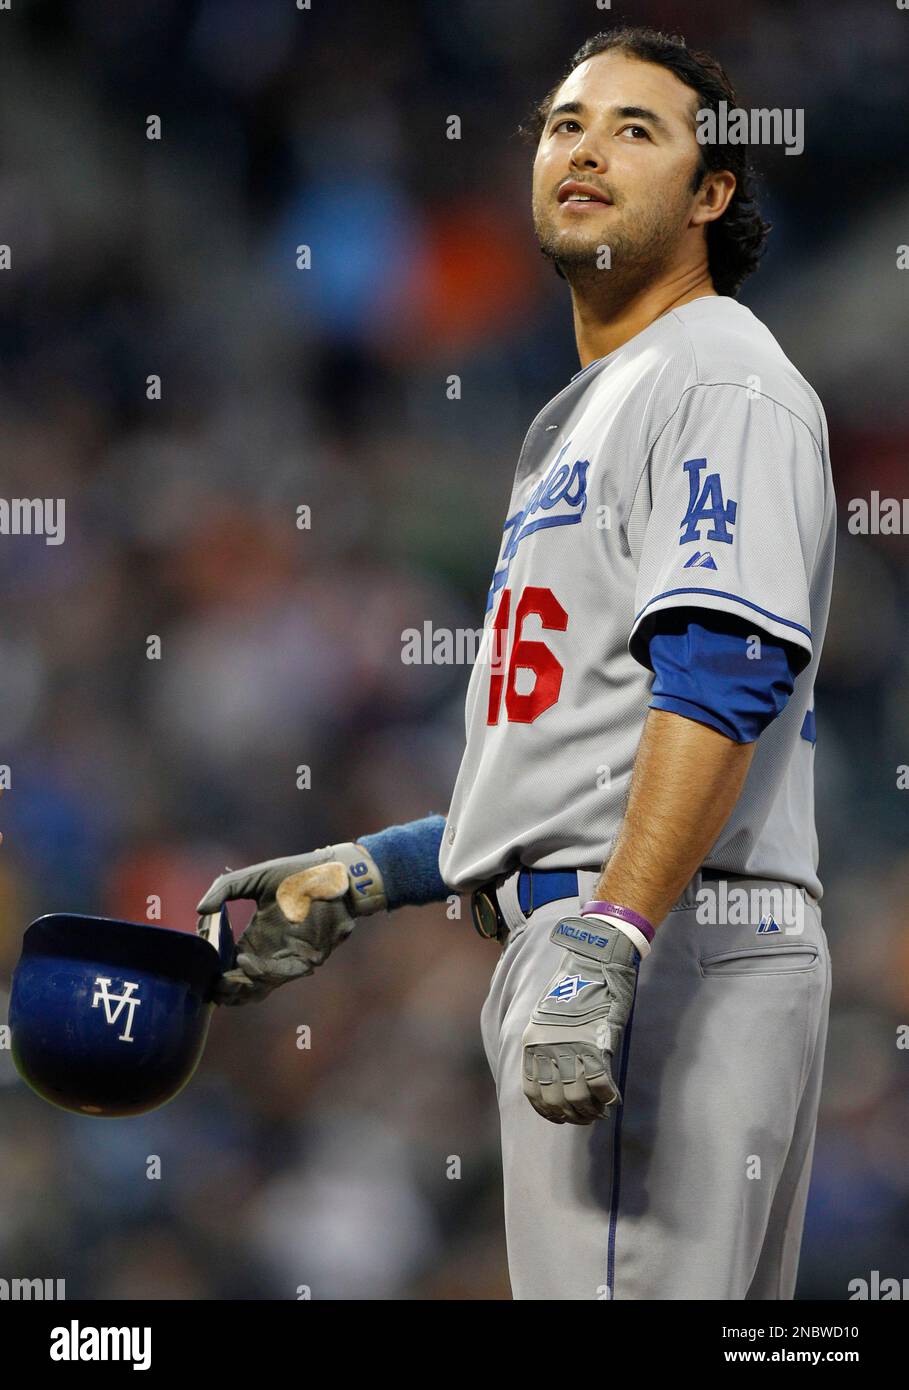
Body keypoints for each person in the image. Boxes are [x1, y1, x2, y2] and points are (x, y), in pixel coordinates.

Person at [198, 26, 835, 1301]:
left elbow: (719, 675)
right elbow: (580, 759)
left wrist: (612, 934)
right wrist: (371, 874)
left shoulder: (716, 369)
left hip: (658, 945)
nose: (585, 146)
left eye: (636, 129)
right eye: (564, 124)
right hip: (644, 928)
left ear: (714, 194)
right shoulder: (598, 407)